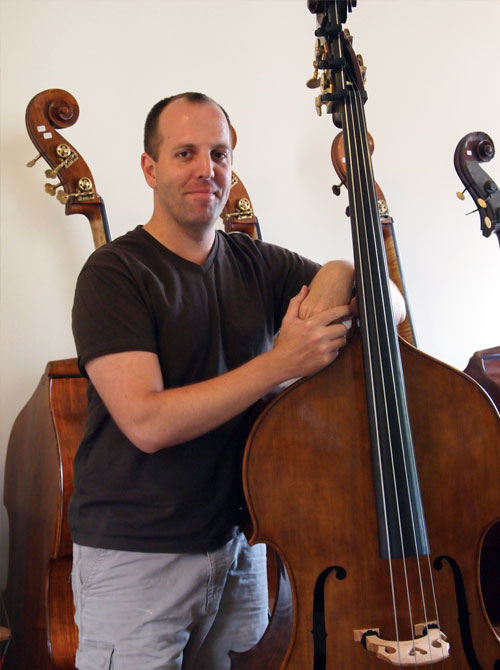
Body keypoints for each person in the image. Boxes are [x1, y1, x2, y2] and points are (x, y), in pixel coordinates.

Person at [69, 91, 405, 670]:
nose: (207, 169)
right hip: (136, 559)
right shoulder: (114, 274)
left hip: (241, 549)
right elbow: (146, 422)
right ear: (150, 168)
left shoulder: (257, 263)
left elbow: (389, 304)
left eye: (220, 154)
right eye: (185, 154)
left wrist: (345, 274)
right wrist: (282, 362)